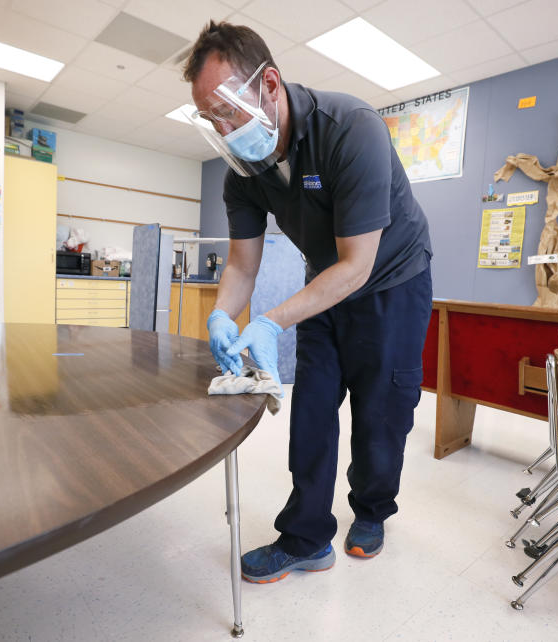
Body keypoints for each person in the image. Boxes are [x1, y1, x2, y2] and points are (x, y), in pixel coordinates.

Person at [182, 21, 433, 584]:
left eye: (227, 110)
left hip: (391, 280)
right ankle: (305, 536)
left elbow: (358, 265)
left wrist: (270, 320)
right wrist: (223, 313)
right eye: (210, 118)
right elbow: (243, 265)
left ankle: (371, 512)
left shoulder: (351, 130)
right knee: (313, 409)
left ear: (270, 83)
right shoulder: (243, 171)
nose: (223, 129)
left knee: (380, 414)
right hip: (325, 282)